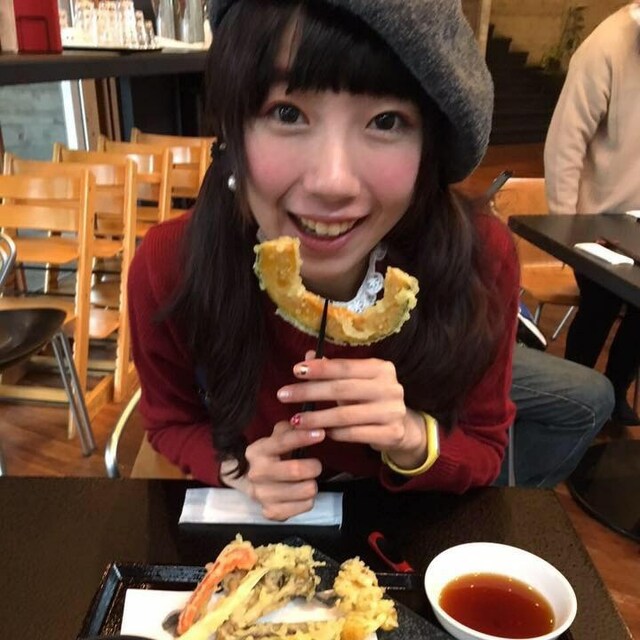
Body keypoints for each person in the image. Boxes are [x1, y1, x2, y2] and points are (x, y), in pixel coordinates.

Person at [129, 0, 521, 521]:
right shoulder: (168, 265)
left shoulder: (481, 259)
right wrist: (236, 468)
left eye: (386, 121)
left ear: (429, 146)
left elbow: (484, 445)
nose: (332, 183)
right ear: (233, 128)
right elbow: (170, 422)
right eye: (287, 113)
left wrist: (410, 436)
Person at [544, 2, 640, 426]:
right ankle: (575, 401)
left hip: (637, 220)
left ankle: (616, 391)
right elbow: (565, 142)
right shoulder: (605, 47)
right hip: (596, 221)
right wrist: (566, 227)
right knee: (599, 309)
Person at [495, 345, 614, 488]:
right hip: (475, 345)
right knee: (595, 399)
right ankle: (510, 492)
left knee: (596, 393)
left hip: (492, 339)